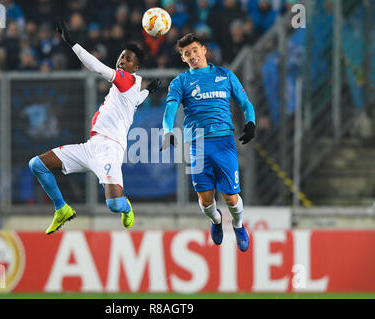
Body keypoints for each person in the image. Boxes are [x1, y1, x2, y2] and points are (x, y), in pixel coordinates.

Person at [29, 17, 161, 234]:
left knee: (114, 205)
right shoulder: (130, 88)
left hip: (110, 151)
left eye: (127, 60)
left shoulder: (127, 80)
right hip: (90, 146)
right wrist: (149, 91)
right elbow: (135, 101)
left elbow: (97, 67)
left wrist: (72, 42)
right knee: (37, 164)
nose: (121, 61)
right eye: (121, 57)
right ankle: (61, 208)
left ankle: (126, 205)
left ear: (135, 67)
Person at [161, 33, 255, 250]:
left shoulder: (225, 75)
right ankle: (216, 220)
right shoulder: (181, 82)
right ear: (183, 59)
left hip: (224, 142)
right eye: (187, 54)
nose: (192, 55)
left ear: (203, 50)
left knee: (231, 198)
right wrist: (167, 130)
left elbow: (245, 103)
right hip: (197, 145)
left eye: (194, 50)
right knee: (205, 201)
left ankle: (239, 224)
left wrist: (251, 123)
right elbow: (170, 109)